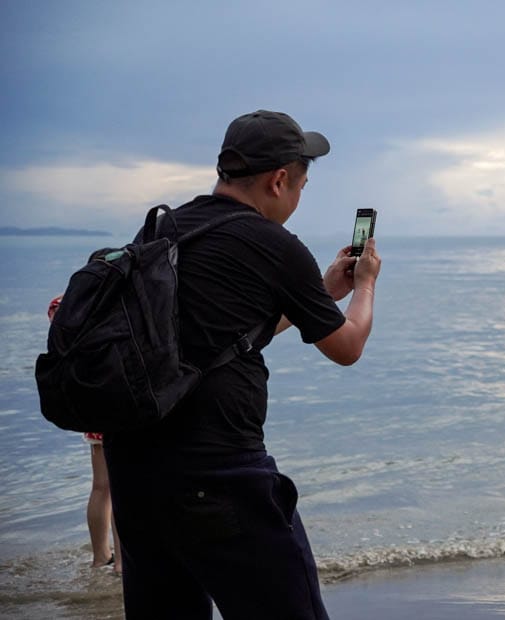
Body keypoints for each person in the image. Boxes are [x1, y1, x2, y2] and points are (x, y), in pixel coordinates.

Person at [103, 110, 380, 620]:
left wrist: (317, 294)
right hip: (219, 476)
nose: (298, 199)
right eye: (301, 186)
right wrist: (363, 287)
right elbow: (347, 347)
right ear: (279, 181)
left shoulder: (162, 232)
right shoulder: (274, 246)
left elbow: (223, 336)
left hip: (136, 477)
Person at [47, 296, 122, 575]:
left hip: (93, 408)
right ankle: (123, 564)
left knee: (100, 487)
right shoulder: (114, 305)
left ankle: (101, 557)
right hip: (119, 406)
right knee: (122, 488)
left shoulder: (73, 308)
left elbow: (55, 310)